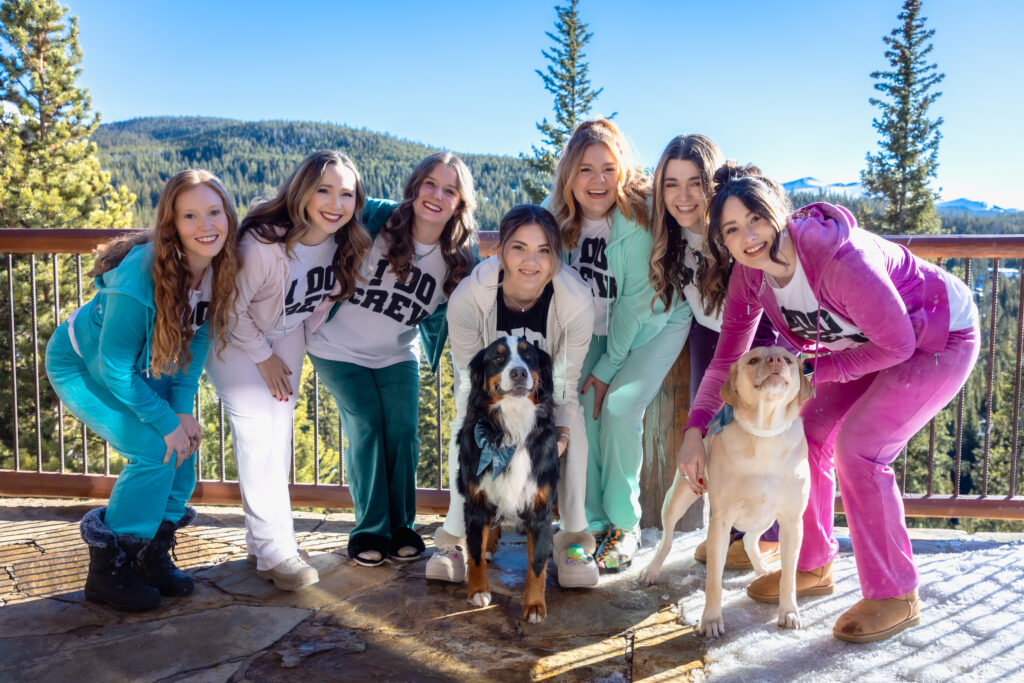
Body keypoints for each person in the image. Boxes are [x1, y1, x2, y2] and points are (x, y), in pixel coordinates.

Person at [676, 163, 979, 643]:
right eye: (732, 230)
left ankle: (896, 593)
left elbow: (897, 344)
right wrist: (695, 429)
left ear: (778, 212)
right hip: (864, 348)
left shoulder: (836, 259)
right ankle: (812, 563)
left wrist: (814, 373)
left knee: (859, 447)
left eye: (755, 219)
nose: (747, 237)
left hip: (936, 338)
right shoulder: (751, 278)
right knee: (810, 428)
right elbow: (725, 362)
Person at [46, 169, 240, 611]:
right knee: (157, 450)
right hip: (83, 365)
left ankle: (151, 556)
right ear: (171, 224)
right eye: (190, 216)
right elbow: (112, 368)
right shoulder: (140, 278)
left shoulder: (219, 268)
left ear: (229, 216)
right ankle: (109, 571)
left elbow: (199, 343)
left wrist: (181, 413)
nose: (206, 226)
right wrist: (164, 422)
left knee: (183, 449)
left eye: (214, 212)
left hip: (148, 367)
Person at [205, 150, 371, 590]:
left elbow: (318, 304)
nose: (336, 203)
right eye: (324, 190)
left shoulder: (343, 243)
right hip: (236, 339)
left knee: (278, 434)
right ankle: (279, 551)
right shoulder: (263, 244)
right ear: (302, 191)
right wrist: (263, 355)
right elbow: (231, 310)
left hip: (286, 335)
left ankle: (265, 547)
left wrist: (291, 341)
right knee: (257, 430)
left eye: (347, 194)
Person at [308, 151, 477, 567]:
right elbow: (319, 215)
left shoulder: (459, 256)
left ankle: (402, 528)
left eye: (449, 190)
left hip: (397, 352)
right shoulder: (377, 218)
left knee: (401, 431)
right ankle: (369, 531)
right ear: (415, 186)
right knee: (366, 424)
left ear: (460, 202)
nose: (436, 195)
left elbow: (476, 309)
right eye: (430, 184)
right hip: (336, 346)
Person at [424, 204, 598, 588]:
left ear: (557, 255)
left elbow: (565, 385)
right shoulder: (469, 299)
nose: (531, 261)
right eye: (519, 248)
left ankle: (572, 540)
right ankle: (455, 539)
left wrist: (561, 437)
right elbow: (468, 386)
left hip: (540, 400)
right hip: (490, 403)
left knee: (576, 428)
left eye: (543, 250)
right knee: (463, 432)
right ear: (499, 251)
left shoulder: (576, 301)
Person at [547, 119, 693, 570]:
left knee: (619, 407)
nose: (598, 181)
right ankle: (589, 524)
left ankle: (625, 526)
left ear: (622, 171)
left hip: (656, 321)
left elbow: (633, 307)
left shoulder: (635, 223)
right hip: (593, 329)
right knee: (582, 408)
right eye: (586, 170)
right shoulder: (556, 221)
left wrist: (608, 369)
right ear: (570, 174)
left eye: (608, 169)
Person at [650, 135, 782, 569]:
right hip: (708, 332)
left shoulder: (730, 231)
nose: (683, 196)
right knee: (715, 433)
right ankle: (729, 525)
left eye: (694, 183)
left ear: (713, 185)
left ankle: (763, 537)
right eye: (671, 184)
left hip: (757, 335)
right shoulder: (668, 231)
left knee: (760, 431)